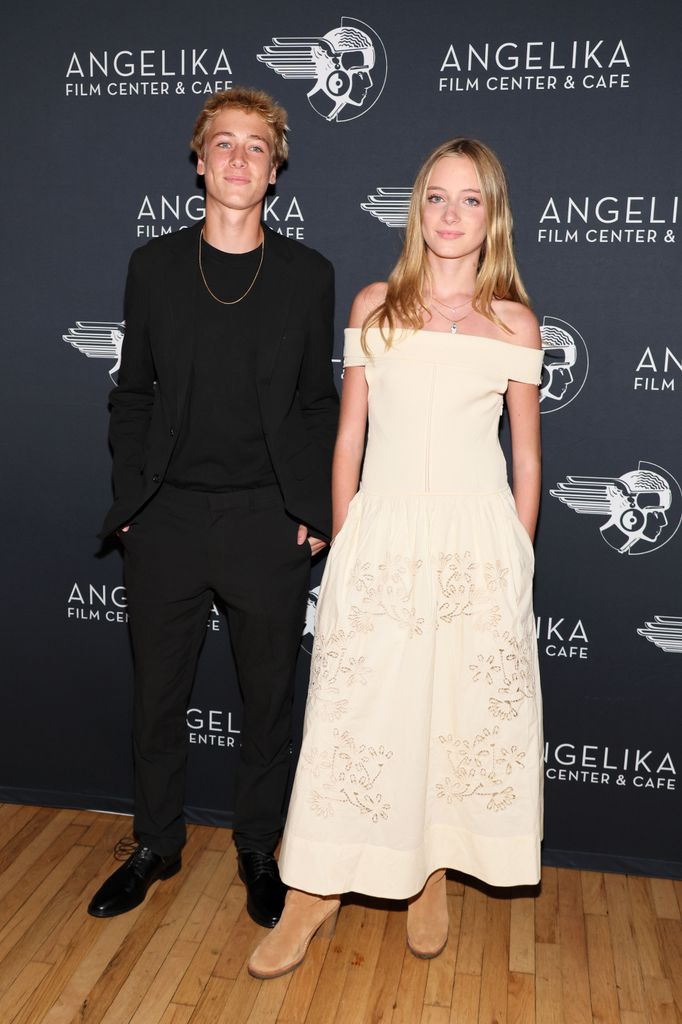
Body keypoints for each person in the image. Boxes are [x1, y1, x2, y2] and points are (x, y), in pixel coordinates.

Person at [248, 138, 544, 978]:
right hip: (382, 538)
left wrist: (514, 559)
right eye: (437, 198)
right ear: (418, 209)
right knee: (353, 717)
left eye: (470, 200)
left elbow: (526, 457)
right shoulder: (375, 306)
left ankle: (431, 873)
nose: (451, 215)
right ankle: (313, 890)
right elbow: (349, 440)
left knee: (455, 715)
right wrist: (346, 543)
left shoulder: (517, 320)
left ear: (494, 215)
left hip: (477, 545)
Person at [88, 87, 338, 927]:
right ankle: (156, 843)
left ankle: (260, 847)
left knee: (268, 700)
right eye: (222, 144)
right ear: (199, 162)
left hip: (268, 521)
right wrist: (132, 502)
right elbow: (132, 395)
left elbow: (316, 404)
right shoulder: (153, 266)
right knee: (156, 696)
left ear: (276, 168)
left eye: (256, 146)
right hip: (167, 520)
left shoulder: (308, 275)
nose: (238, 158)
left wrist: (311, 508)